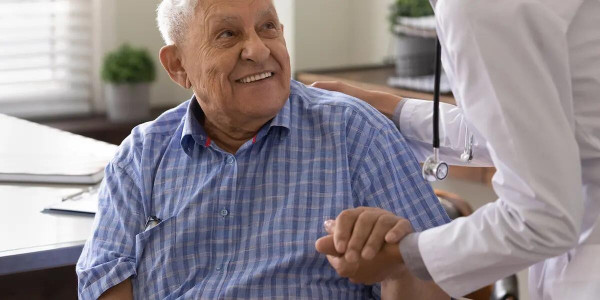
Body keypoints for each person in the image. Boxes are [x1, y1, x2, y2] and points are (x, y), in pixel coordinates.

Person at [75, 0, 452, 299]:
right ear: (178, 66)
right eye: (227, 34)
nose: (257, 49)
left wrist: (400, 262)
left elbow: (443, 282)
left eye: (267, 27)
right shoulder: (141, 154)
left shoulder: (355, 133)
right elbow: (103, 278)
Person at [313, 0, 600, 299]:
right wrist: (398, 111)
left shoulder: (477, 8)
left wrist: (403, 256)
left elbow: (543, 218)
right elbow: (535, 130)